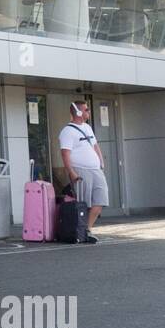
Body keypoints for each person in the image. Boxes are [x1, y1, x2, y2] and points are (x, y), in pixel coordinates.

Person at [58, 101, 107, 244]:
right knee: (84, 203)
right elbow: (65, 154)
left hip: (95, 170)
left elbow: (95, 145)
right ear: (79, 112)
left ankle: (86, 229)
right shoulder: (67, 131)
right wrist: (71, 172)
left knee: (100, 200)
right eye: (86, 110)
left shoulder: (88, 128)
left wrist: (100, 161)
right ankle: (81, 231)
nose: (89, 112)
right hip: (80, 170)